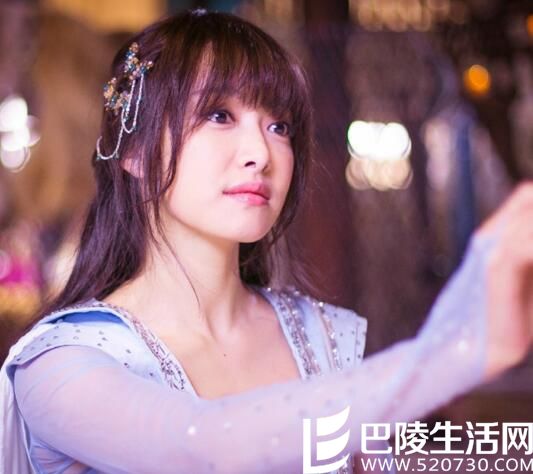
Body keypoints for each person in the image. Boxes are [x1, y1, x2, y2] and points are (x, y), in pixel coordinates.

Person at [1, 9, 532, 474]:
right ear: (134, 153)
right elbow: (207, 450)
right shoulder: (60, 365)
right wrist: (455, 350)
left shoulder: (326, 336)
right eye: (219, 116)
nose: (261, 152)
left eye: (280, 127)